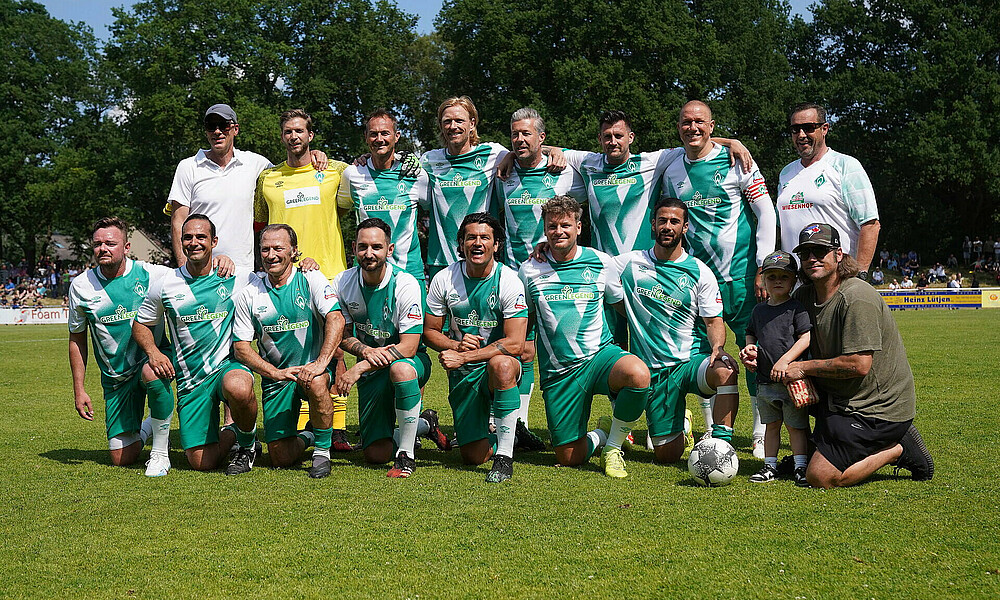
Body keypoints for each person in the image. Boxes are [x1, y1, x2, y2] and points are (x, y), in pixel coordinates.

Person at [658, 100, 778, 456]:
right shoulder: (670, 166)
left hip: (741, 276)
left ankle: (759, 432)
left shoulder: (736, 159)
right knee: (703, 355)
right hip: (694, 280)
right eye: (685, 122)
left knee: (755, 353)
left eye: (700, 122)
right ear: (677, 126)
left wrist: (762, 266)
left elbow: (765, 212)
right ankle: (713, 431)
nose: (692, 128)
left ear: (712, 126)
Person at [68, 217, 232, 476]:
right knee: (122, 457)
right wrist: (79, 389)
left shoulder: (153, 274)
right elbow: (76, 338)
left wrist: (222, 259)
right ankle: (148, 426)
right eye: (98, 243)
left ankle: (160, 452)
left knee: (153, 372)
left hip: (154, 361)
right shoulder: (81, 286)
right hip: (116, 378)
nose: (103, 248)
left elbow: (192, 271)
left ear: (127, 246)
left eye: (111, 243)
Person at [783, 223, 933, 488]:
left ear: (838, 255)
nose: (812, 259)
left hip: (877, 408)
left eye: (820, 251)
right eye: (805, 253)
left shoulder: (856, 297)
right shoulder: (804, 296)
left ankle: (898, 448)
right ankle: (805, 454)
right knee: (782, 384)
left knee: (820, 477)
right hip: (840, 399)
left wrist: (804, 367)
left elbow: (859, 365)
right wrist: (757, 354)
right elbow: (784, 340)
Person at [518, 196, 651, 478]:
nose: (558, 231)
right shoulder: (529, 269)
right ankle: (602, 434)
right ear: (544, 229)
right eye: (552, 226)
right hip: (560, 373)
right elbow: (525, 317)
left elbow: (620, 305)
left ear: (579, 227)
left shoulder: (601, 262)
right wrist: (525, 343)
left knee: (638, 374)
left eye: (565, 225)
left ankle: (613, 447)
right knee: (569, 457)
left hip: (599, 357)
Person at [253, 109, 353, 449]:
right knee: (290, 347)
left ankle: (335, 426)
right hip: (285, 274)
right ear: (282, 137)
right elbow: (261, 224)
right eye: (288, 131)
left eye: (300, 130)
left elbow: (352, 200)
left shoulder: (335, 170)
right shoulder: (267, 179)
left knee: (335, 350)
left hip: (329, 271)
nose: (294, 136)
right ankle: (300, 426)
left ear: (311, 135)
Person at [614, 198, 741, 465]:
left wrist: (718, 348)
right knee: (668, 456)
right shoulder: (629, 263)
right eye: (662, 220)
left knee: (725, 368)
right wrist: (547, 248)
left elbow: (713, 321)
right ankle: (681, 423)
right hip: (654, 373)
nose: (667, 226)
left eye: (674, 221)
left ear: (684, 227)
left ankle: (721, 445)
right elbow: (587, 262)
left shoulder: (699, 271)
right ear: (653, 225)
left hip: (688, 362)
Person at [133, 214, 260, 475]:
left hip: (226, 367)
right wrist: (153, 352)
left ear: (214, 241)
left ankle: (248, 443)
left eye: (201, 237)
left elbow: (276, 278)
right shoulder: (166, 283)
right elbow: (141, 324)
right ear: (181, 242)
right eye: (188, 237)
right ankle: (233, 432)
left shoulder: (236, 276)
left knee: (238, 386)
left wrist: (305, 265)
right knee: (202, 462)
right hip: (191, 380)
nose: (194, 242)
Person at [492, 107, 585, 449]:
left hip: (552, 277)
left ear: (542, 138)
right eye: (514, 134)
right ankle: (507, 423)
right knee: (511, 349)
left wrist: (557, 153)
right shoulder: (501, 171)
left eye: (526, 134)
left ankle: (521, 423)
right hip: (511, 276)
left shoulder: (565, 170)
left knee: (538, 350)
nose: (519, 139)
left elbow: (607, 159)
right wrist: (506, 156)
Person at [232, 224, 346, 478]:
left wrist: (321, 363)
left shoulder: (310, 277)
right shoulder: (250, 293)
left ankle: (322, 453)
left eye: (278, 248)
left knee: (317, 382)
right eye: (265, 249)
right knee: (280, 457)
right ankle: (309, 435)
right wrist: (275, 373)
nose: (271, 255)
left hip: (311, 368)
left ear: (294, 251)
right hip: (278, 378)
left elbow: (336, 319)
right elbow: (241, 347)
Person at [424, 213, 529, 482]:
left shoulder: (508, 280)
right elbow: (429, 332)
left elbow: (515, 343)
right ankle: (508, 433)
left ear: (497, 245)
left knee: (502, 364)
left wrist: (466, 355)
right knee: (472, 456)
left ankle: (505, 457)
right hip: (464, 372)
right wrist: (455, 344)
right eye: (471, 237)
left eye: (485, 238)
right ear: (461, 243)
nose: (477, 243)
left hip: (495, 364)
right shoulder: (444, 279)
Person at [421, 96, 564, 281]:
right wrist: (369, 158)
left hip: (485, 260)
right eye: (447, 121)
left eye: (459, 120)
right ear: (441, 126)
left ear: (472, 123)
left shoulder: (493, 153)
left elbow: (527, 148)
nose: (453, 126)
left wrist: (554, 150)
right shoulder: (429, 160)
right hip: (441, 261)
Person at [332, 218, 431, 478]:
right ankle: (423, 424)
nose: (369, 253)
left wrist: (359, 367)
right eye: (362, 246)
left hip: (409, 361)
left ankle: (406, 455)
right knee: (375, 455)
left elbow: (409, 346)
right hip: (374, 366)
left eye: (376, 246)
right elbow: (342, 336)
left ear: (389, 249)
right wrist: (365, 352)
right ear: (353, 248)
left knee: (400, 370)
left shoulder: (406, 283)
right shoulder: (343, 282)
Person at [776, 103, 881, 281]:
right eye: (795, 129)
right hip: (796, 286)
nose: (801, 135)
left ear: (824, 128)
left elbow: (870, 224)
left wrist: (860, 275)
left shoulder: (845, 165)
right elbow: (779, 229)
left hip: (838, 283)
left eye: (808, 128)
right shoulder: (785, 173)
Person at [739, 251, 812, 486]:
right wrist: (750, 349)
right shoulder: (758, 310)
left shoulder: (796, 308)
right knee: (771, 426)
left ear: (793, 281)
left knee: (796, 427)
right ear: (763, 281)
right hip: (764, 382)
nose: (777, 281)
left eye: (784, 276)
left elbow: (805, 338)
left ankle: (801, 467)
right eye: (771, 277)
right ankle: (770, 466)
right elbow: (750, 333)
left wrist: (785, 361)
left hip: (791, 383)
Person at [338, 109, 429, 285]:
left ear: (397, 136)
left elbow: (432, 209)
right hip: (367, 273)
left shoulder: (416, 175)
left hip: (410, 272)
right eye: (373, 134)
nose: (379, 139)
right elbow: (337, 212)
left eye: (385, 133)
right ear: (366, 137)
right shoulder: (352, 174)